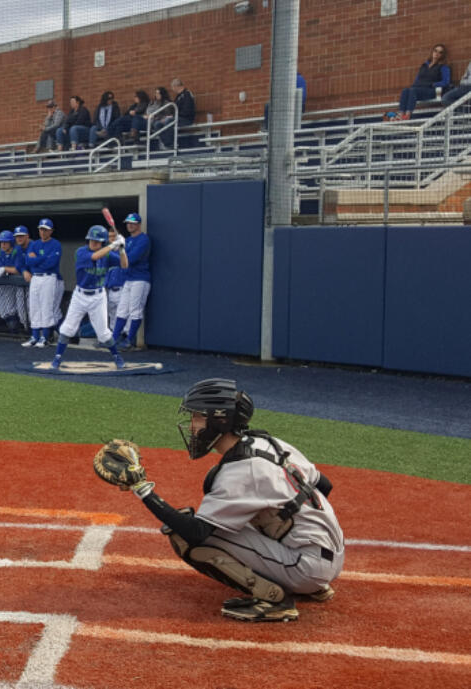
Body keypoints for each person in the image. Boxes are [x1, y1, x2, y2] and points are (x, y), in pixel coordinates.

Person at [114, 378, 343, 622]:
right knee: (251, 512)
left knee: (183, 533)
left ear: (218, 420)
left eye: (198, 417)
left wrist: (142, 489)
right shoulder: (269, 442)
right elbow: (323, 484)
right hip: (331, 554)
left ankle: (275, 599)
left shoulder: (241, 472)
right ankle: (312, 581)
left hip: (306, 566)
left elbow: (196, 532)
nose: (192, 426)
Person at [50, 225, 127, 370]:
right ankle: (57, 358)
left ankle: (117, 357)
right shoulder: (81, 252)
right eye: (92, 240)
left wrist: (122, 249)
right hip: (80, 295)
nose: (94, 243)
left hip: (98, 297)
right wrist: (113, 244)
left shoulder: (108, 255)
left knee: (103, 333)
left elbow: (125, 265)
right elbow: (95, 256)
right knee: (68, 328)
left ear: (102, 243)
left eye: (97, 241)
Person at [21, 218, 62, 348]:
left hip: (49, 277)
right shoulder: (34, 244)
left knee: (46, 306)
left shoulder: (56, 244)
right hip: (35, 278)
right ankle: (34, 336)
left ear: (51, 231)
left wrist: (37, 259)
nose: (43, 232)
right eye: (41, 229)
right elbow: (28, 261)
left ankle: (45, 337)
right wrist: (43, 258)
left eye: (45, 230)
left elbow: (52, 263)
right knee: (34, 306)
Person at [112, 213, 150, 351]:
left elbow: (131, 259)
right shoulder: (127, 240)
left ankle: (129, 340)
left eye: (132, 223)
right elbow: (117, 258)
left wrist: (120, 249)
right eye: (128, 223)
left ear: (138, 224)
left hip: (140, 279)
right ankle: (113, 339)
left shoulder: (143, 239)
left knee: (135, 310)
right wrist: (117, 247)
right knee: (121, 310)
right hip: (128, 279)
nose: (129, 225)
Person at [389, 44, 451, 121]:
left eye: (440, 52)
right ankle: (401, 114)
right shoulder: (424, 65)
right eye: (435, 51)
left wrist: (433, 84)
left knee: (413, 90)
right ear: (432, 51)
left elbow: (446, 82)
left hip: (431, 90)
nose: (437, 53)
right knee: (405, 90)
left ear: (443, 55)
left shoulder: (443, 67)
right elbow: (417, 79)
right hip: (419, 88)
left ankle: (408, 115)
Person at [0, 229, 28, 333]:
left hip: (20, 283)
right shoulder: (0, 252)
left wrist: (5, 269)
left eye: (5, 242)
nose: (3, 244)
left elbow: (17, 269)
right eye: (1, 242)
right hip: (4, 283)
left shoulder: (17, 251)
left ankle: (26, 331)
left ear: (11, 242)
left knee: (19, 312)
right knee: (4, 313)